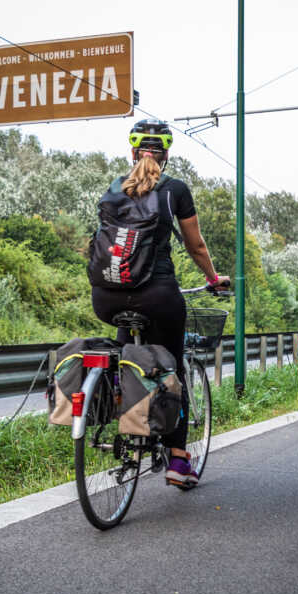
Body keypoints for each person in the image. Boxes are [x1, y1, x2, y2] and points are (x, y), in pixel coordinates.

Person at [91, 119, 230, 487]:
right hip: (157, 295)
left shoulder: (112, 189)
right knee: (172, 370)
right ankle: (178, 461)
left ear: (132, 151)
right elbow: (195, 245)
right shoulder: (175, 190)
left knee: (126, 363)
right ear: (166, 155)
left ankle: (128, 434)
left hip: (106, 296)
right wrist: (214, 280)